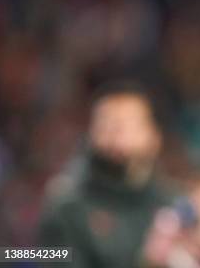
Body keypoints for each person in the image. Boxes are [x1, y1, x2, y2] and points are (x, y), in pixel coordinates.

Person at [39, 82, 171, 268]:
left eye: (128, 123)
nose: (116, 132)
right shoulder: (66, 204)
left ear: (154, 136)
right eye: (106, 122)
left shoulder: (172, 203)